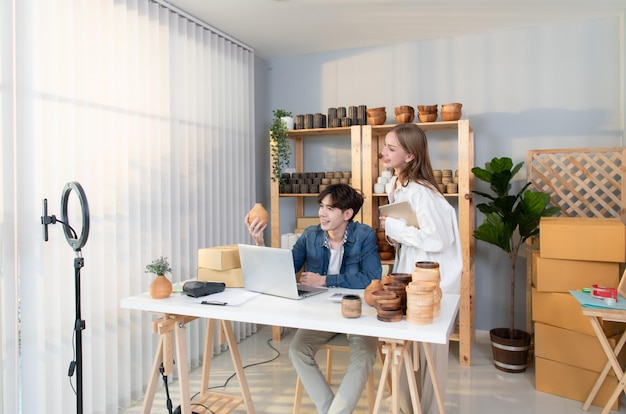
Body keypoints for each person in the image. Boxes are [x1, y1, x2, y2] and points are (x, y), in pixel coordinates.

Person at [245, 183, 382, 414]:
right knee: (298, 350)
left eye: (330, 208)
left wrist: (325, 280)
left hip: (357, 312)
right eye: (321, 206)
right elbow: (284, 271)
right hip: (322, 313)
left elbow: (372, 278)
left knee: (365, 354)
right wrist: (260, 242)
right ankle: (332, 410)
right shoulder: (310, 235)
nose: (321, 213)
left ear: (347, 214)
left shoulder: (364, 235)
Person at [378, 123, 462, 414]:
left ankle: (424, 408)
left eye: (391, 148)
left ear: (410, 156)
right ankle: (405, 405)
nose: (383, 152)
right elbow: (407, 232)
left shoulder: (422, 192)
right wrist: (392, 231)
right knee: (407, 348)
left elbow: (438, 239)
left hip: (431, 278)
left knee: (426, 354)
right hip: (408, 271)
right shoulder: (395, 185)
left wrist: (397, 229)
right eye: (385, 146)